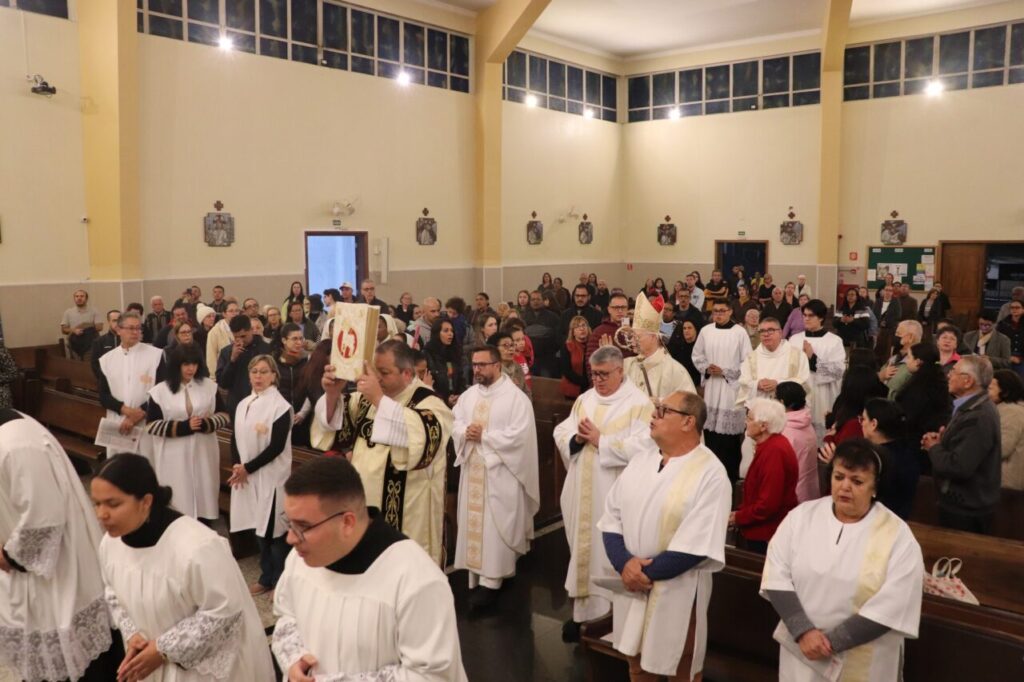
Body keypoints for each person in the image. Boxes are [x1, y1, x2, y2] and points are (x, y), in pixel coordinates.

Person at [272, 457, 467, 681]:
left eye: (303, 526)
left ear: (347, 522)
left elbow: (432, 676)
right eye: (290, 523)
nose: (290, 538)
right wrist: (294, 660)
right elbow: (286, 616)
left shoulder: (416, 580)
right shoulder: (301, 558)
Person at [92, 454, 274, 681]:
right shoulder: (110, 544)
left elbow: (224, 613)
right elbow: (113, 592)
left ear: (146, 501)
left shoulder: (197, 547)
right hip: (148, 660)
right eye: (97, 503)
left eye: (113, 503)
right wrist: (132, 633)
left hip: (198, 670)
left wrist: (163, 649)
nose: (101, 515)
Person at [761, 439, 923, 682]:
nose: (844, 487)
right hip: (803, 650)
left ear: (875, 486)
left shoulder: (897, 536)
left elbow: (894, 603)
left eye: (857, 481)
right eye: (839, 477)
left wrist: (830, 643)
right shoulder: (801, 518)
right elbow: (776, 575)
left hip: (862, 655)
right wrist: (804, 632)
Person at [597, 391, 731, 681]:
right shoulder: (641, 461)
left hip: (677, 589)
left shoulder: (711, 473)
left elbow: (696, 545)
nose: (653, 415)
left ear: (688, 422)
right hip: (632, 584)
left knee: (678, 668)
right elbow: (611, 518)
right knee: (636, 664)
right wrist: (625, 565)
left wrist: (640, 574)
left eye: (663, 410)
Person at [0, 409, 120, 682]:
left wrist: (8, 557)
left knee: (76, 664)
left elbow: (43, 518)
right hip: (30, 580)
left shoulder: (16, 443)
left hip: (60, 575)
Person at [315, 340, 453, 564]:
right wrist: (332, 394)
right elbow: (335, 428)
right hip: (364, 505)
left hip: (405, 512)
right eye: (374, 371)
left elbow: (423, 442)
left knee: (400, 575)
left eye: (384, 373)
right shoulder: (366, 400)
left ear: (407, 374)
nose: (376, 379)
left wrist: (379, 399)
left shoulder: (429, 402)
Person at [553, 346, 655, 642]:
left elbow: (647, 446)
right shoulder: (585, 399)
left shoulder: (638, 404)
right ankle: (583, 616)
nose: (597, 380)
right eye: (593, 374)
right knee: (583, 551)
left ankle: (611, 619)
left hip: (613, 492)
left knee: (607, 553)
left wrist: (602, 441)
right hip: (581, 488)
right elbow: (562, 431)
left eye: (604, 374)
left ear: (620, 371)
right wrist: (574, 438)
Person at [452, 346, 540, 608]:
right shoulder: (468, 397)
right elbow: (454, 421)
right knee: (476, 528)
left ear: (497, 365)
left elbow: (520, 437)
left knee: (495, 527)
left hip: (501, 473)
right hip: (473, 471)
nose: (476, 370)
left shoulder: (516, 399)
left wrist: (486, 437)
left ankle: (493, 582)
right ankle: (476, 577)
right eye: (474, 365)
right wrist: (464, 431)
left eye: (482, 365)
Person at [229, 354, 293, 594]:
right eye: (254, 371)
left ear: (274, 375)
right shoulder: (243, 403)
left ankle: (278, 579)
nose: (258, 376)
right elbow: (235, 437)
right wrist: (237, 466)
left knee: (274, 532)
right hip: (248, 475)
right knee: (258, 526)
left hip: (271, 477)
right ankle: (267, 576)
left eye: (264, 371)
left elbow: (276, 447)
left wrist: (248, 468)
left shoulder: (280, 407)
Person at [146, 344, 229, 522]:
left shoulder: (209, 386)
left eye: (194, 364)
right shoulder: (160, 391)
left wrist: (206, 424)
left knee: (204, 495)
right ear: (177, 365)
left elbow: (224, 415)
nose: (191, 368)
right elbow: (151, 425)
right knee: (178, 496)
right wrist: (184, 427)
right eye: (186, 364)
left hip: (203, 452)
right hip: (173, 454)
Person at [921, 355, 1001, 533]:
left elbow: (959, 467)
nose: (949, 375)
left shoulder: (978, 415)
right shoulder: (970, 406)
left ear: (967, 381)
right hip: (963, 503)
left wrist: (934, 447)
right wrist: (943, 442)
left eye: (954, 371)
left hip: (966, 509)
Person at [692, 300, 752, 483]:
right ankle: (710, 476)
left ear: (730, 311)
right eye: (715, 311)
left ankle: (730, 476)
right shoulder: (706, 331)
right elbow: (697, 354)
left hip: (729, 389)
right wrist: (706, 368)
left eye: (722, 310)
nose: (718, 314)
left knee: (729, 440)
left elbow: (748, 362)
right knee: (711, 435)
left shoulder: (740, 332)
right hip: (711, 388)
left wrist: (725, 371)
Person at [731, 398, 798, 553]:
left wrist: (739, 517)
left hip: (767, 532)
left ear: (763, 426)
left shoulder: (775, 451)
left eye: (749, 418)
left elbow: (768, 504)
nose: (746, 422)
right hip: (762, 527)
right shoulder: (770, 445)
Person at [97, 311, 165, 455]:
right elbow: (103, 395)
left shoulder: (155, 355)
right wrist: (127, 411)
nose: (135, 332)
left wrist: (139, 414)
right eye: (131, 328)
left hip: (146, 421)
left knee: (147, 467)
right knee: (119, 470)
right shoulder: (107, 360)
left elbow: (162, 390)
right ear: (119, 330)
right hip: (119, 422)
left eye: (138, 328)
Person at [620, 292, 696, 401]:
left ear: (653, 337)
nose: (632, 341)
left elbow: (689, 405)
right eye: (631, 336)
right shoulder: (627, 365)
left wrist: (661, 403)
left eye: (637, 337)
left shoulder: (674, 370)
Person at [790, 299, 846, 441]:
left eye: (811, 316)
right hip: (800, 392)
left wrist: (812, 358)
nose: (806, 319)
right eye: (804, 315)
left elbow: (838, 370)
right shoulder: (794, 339)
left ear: (821, 317)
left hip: (823, 394)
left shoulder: (834, 341)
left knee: (820, 439)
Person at [859, 398, 919, 519]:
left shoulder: (877, 459)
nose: (860, 423)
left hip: (880, 520)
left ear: (874, 424)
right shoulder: (906, 451)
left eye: (863, 419)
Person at [895, 342, 952, 467]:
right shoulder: (936, 379)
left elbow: (911, 415)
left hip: (918, 441)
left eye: (909, 357)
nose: (907, 361)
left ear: (918, 362)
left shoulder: (921, 386)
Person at [737, 316, 811, 404]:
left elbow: (804, 381)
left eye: (770, 330)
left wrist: (778, 384)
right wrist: (757, 384)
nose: (766, 334)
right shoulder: (751, 357)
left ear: (780, 332)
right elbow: (743, 381)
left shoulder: (797, 355)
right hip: (759, 408)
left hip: (787, 409)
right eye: (762, 331)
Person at [216, 314, 273, 415]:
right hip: (237, 405)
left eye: (243, 336)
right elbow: (223, 383)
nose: (240, 340)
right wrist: (232, 360)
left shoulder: (267, 349)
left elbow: (274, 377)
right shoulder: (226, 352)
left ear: (251, 330)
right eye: (236, 337)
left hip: (262, 404)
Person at [778, 382, 819, 503]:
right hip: (809, 489)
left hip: (792, 495)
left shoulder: (786, 430)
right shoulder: (806, 422)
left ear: (781, 402)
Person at [276, 324, 313, 447]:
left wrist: (303, 412)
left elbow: (311, 388)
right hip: (280, 414)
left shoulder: (308, 360)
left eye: (301, 338)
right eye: (294, 339)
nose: (299, 342)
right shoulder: (275, 360)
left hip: (302, 416)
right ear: (284, 340)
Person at [586, 293, 636, 378]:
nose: (620, 311)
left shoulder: (635, 330)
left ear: (627, 309)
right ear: (609, 309)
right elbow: (590, 364)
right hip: (607, 381)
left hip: (632, 381)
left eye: (623, 307)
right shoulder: (599, 332)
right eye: (616, 307)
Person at [990, 369, 1024, 491]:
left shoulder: (1012, 412)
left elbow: (1003, 448)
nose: (986, 392)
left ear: (1005, 392)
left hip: (1007, 484)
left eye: (991, 388)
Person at [879, 319, 923, 399]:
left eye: (898, 333)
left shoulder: (917, 364)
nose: (895, 336)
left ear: (910, 337)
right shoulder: (895, 357)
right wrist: (881, 376)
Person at [61, 289, 103, 360]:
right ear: (74, 298)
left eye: (82, 296)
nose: (79, 298)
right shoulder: (68, 312)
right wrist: (74, 330)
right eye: (77, 296)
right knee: (76, 367)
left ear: (86, 298)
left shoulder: (94, 311)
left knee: (88, 366)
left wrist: (85, 326)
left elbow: (99, 327)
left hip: (90, 346)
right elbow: (63, 329)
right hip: (73, 345)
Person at [561, 315, 591, 399]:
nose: (582, 329)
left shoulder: (593, 344)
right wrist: (585, 382)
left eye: (584, 325)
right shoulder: (568, 346)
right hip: (573, 388)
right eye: (577, 327)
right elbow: (566, 371)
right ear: (573, 332)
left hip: (592, 388)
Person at [205, 300, 239, 375]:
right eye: (231, 311)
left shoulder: (243, 329)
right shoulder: (215, 332)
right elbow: (211, 358)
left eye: (237, 311)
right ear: (224, 314)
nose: (235, 313)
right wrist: (214, 378)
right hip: (223, 373)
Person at [89, 309, 121, 380]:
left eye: (119, 320)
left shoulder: (127, 341)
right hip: (106, 381)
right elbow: (95, 364)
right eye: (114, 320)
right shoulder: (99, 341)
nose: (117, 323)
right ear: (109, 322)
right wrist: (103, 379)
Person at [997, 299, 1024, 376]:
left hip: (1021, 356)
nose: (1014, 309)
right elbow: (999, 341)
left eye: (1017, 307)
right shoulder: (1003, 324)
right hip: (1006, 355)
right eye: (1012, 308)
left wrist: (1020, 359)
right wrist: (1007, 356)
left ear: (1023, 309)